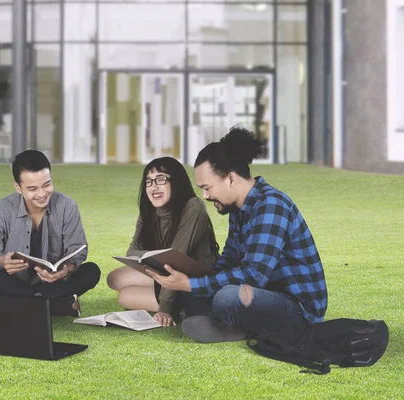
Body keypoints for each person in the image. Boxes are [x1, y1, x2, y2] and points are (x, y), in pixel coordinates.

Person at [147, 127, 328, 342]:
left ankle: (238, 328)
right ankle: (232, 324)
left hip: (298, 309)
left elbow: (254, 275)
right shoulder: (238, 209)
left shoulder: (271, 205)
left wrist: (190, 284)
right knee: (196, 290)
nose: (204, 196)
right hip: (260, 296)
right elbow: (230, 260)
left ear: (231, 178)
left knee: (227, 296)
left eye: (207, 187)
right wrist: (193, 279)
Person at [0, 150, 100, 316]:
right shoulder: (0, 210)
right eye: (32, 188)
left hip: (53, 283)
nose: (42, 194)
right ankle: (50, 304)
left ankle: (26, 304)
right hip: (12, 282)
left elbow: (77, 250)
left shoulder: (67, 207)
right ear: (18, 187)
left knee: (92, 271)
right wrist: (3, 261)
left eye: (47, 184)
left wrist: (66, 270)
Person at [107, 157, 219, 327]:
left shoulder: (193, 207)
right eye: (149, 182)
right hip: (165, 270)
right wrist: (159, 258)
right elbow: (132, 252)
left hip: (193, 280)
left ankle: (182, 306)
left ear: (177, 182)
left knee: (125, 297)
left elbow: (176, 259)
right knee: (113, 278)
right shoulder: (148, 212)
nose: (154, 187)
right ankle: (169, 297)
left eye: (161, 179)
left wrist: (165, 309)